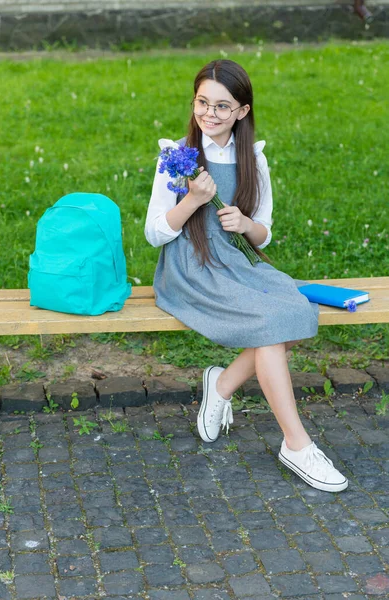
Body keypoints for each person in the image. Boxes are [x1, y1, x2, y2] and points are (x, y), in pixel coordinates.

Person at [145, 59, 348, 493]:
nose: (210, 114)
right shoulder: (177, 156)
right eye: (203, 102)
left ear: (241, 111)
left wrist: (245, 224)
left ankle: (221, 385)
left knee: (296, 310)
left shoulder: (252, 158)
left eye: (222, 106)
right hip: (191, 265)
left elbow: (265, 231)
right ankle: (297, 444)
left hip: (241, 260)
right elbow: (154, 232)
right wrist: (191, 201)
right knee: (272, 326)